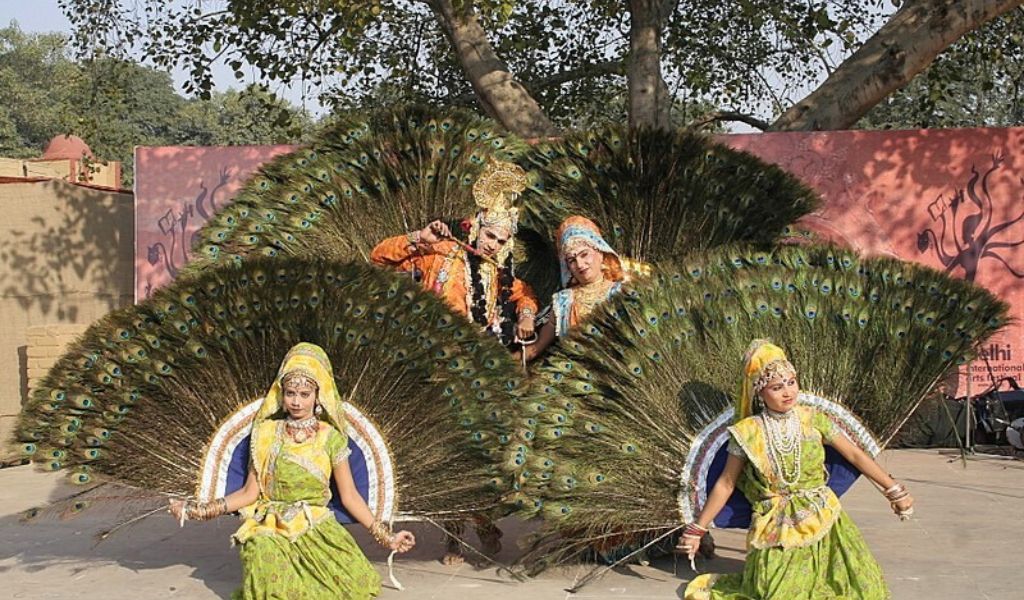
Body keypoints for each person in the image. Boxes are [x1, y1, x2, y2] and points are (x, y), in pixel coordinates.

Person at [169, 342, 415, 599]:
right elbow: (248, 493)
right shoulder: (265, 434)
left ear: (318, 396)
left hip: (315, 526)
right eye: (290, 393)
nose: (296, 402)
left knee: (351, 584)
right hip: (270, 527)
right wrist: (199, 510)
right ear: (282, 394)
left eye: (304, 394)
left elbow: (350, 496)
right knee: (265, 560)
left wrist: (387, 537)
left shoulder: (331, 438)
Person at [678, 339, 915, 600]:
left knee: (859, 589)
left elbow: (855, 454)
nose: (788, 392)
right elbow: (726, 483)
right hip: (774, 526)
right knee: (779, 593)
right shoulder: (747, 432)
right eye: (777, 387)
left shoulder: (814, 419)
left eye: (791, 382)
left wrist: (894, 490)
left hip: (824, 519)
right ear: (760, 392)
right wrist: (697, 529)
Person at [371, 159, 539, 352]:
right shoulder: (441, 252)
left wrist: (526, 316)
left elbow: (525, 293)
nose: (493, 245)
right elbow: (378, 257)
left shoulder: (495, 271)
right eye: (489, 235)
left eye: (500, 241)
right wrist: (419, 237)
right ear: (476, 229)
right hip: (428, 346)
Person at [524, 215, 625, 361]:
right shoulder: (563, 302)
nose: (579, 264)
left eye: (584, 254)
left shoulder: (621, 293)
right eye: (572, 260)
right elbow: (535, 349)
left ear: (601, 253)